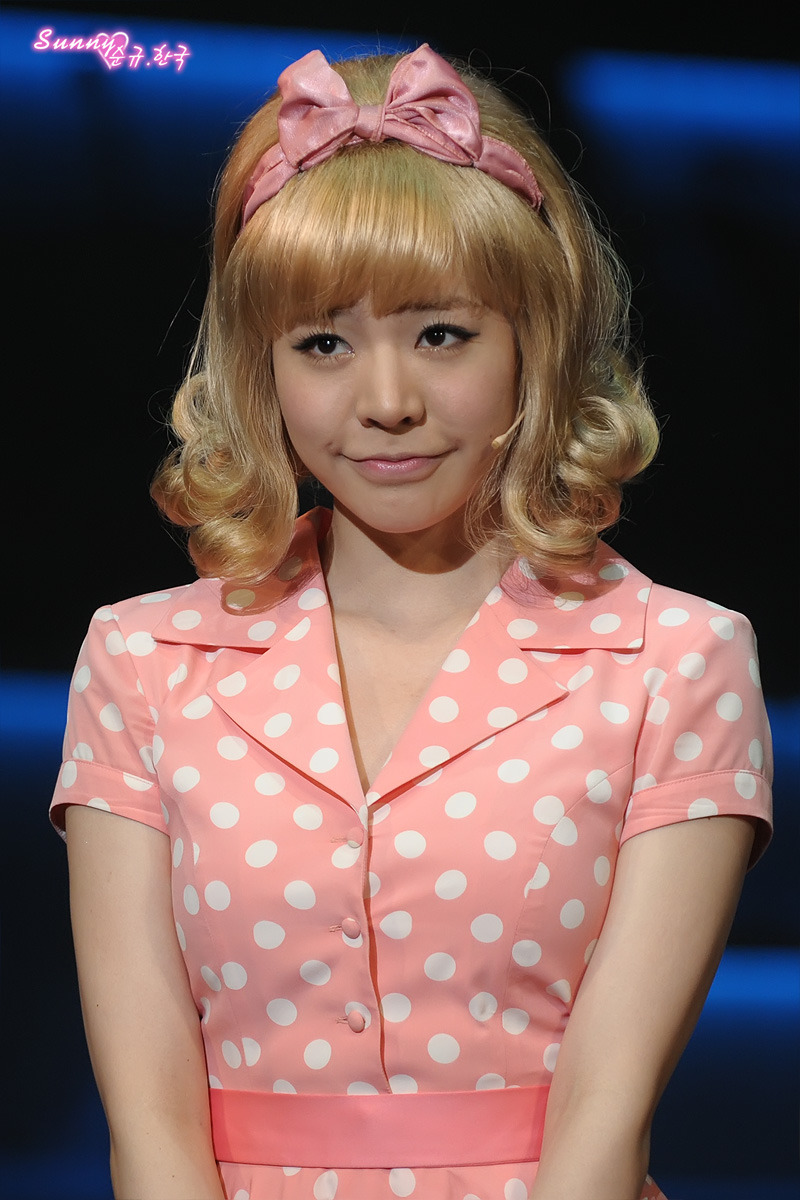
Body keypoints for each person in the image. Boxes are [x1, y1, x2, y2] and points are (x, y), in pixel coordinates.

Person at [51, 43, 772, 1200]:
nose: (385, 402)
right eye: (321, 344)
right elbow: (147, 1123)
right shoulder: (142, 659)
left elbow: (604, 1114)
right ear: (260, 367)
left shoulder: (672, 660)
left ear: (532, 340)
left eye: (440, 334)